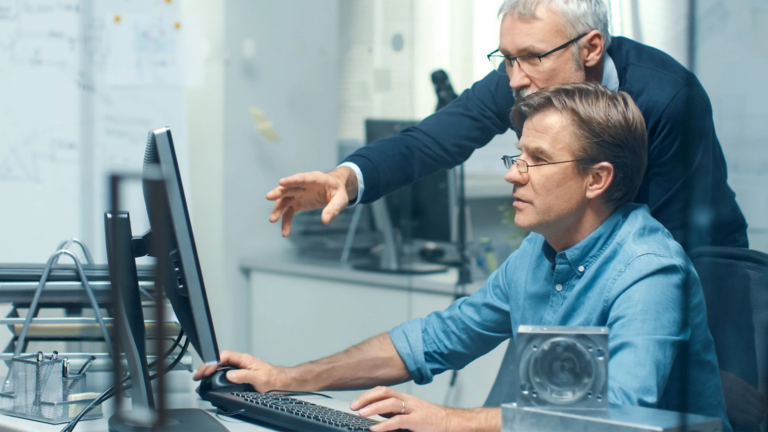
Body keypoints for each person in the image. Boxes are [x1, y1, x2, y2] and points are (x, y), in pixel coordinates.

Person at [198, 83, 731, 432]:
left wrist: (450, 421)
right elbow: (431, 342)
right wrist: (286, 379)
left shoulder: (648, 271)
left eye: (537, 161)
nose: (511, 174)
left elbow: (620, 417)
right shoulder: (537, 255)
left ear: (598, 179)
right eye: (517, 156)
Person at [266, 0, 748, 252]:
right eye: (507, 58)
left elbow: (669, 239)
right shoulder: (523, 78)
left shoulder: (667, 98)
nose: (515, 79)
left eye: (533, 57)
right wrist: (347, 179)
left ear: (592, 48)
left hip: (701, 265)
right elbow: (430, 141)